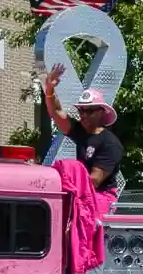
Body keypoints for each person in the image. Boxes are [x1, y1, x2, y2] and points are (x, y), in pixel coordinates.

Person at [43, 63, 124, 211]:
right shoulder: (80, 132)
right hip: (82, 194)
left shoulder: (110, 143)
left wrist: (61, 180)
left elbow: (94, 181)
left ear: (101, 112)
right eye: (81, 111)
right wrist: (50, 88)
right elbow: (56, 112)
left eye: (90, 111)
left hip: (102, 198)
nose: (84, 115)